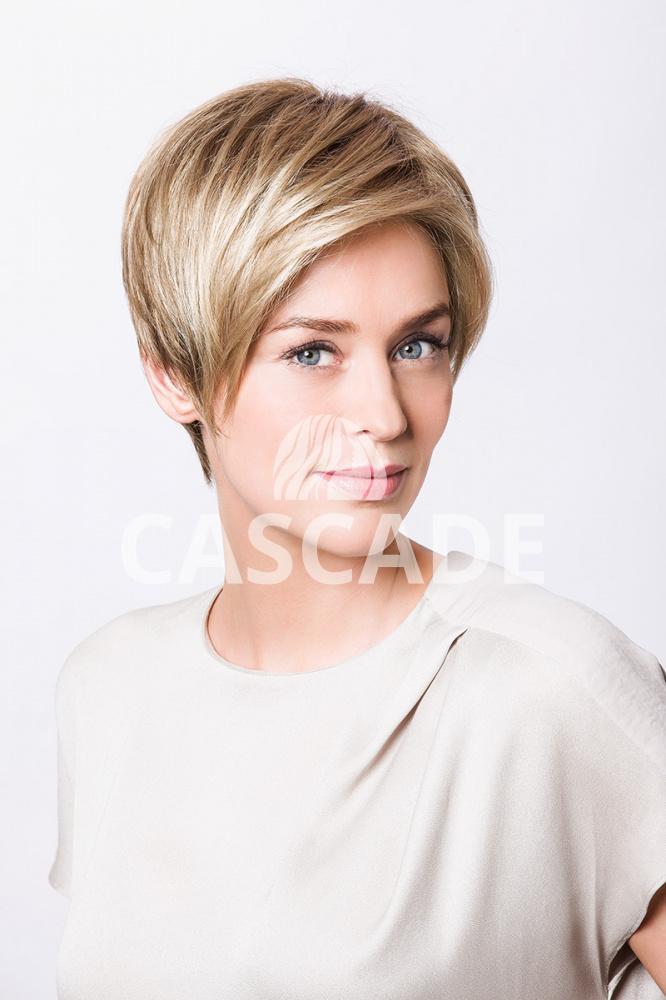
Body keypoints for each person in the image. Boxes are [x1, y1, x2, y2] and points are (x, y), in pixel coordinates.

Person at [49, 77, 666, 999]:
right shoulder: (108, 685)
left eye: (418, 345)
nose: (384, 414)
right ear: (175, 374)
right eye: (312, 351)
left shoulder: (551, 686)